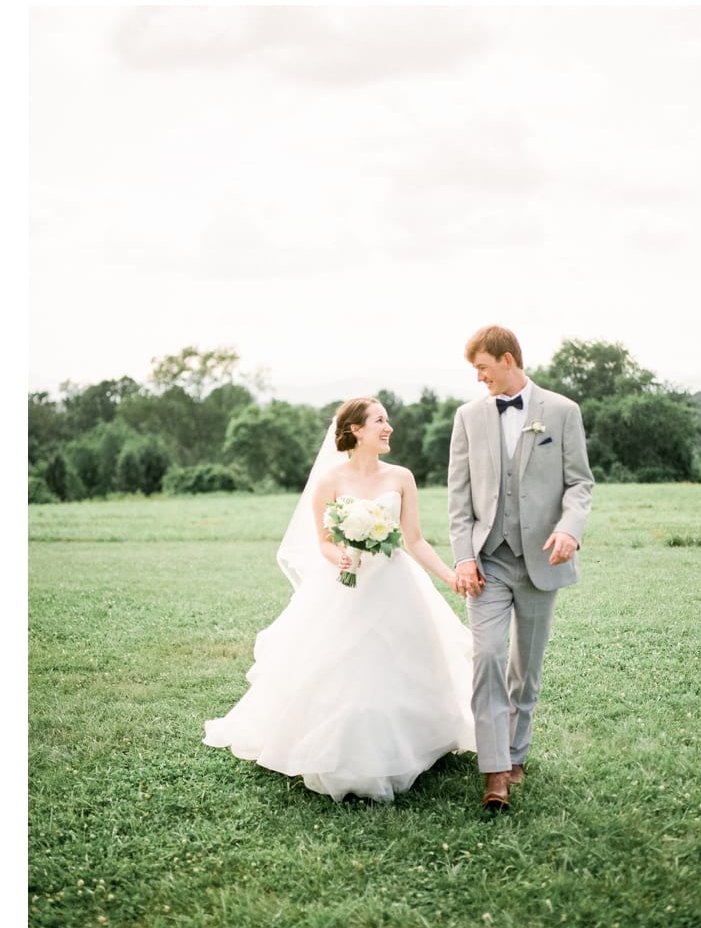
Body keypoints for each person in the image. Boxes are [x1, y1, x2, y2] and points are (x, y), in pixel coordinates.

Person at [204, 397, 476, 802]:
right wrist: (342, 557)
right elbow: (324, 544)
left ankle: (410, 744)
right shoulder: (329, 481)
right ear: (355, 430)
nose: (389, 428)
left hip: (396, 585)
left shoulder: (401, 477)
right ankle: (342, 750)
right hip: (345, 586)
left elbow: (414, 539)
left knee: (401, 663)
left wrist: (450, 574)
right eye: (380, 421)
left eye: (388, 420)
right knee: (341, 667)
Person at [448, 325, 593, 811]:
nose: (479, 379)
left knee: (525, 666)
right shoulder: (468, 417)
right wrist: (464, 556)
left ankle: (516, 753)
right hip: (487, 561)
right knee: (486, 656)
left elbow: (580, 484)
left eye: (484, 369)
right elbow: (458, 497)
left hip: (541, 560)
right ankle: (494, 772)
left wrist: (570, 528)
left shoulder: (563, 411)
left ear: (508, 360)